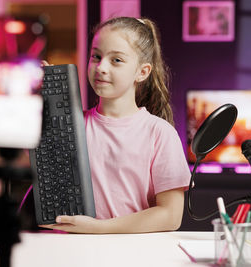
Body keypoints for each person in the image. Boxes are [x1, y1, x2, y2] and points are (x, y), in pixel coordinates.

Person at [40, 16, 191, 233]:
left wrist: (98, 228)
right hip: (70, 248)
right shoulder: (70, 125)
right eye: (96, 56)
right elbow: (46, 177)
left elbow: (171, 216)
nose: (101, 67)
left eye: (116, 60)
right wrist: (46, 106)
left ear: (142, 72)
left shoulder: (160, 133)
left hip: (131, 251)